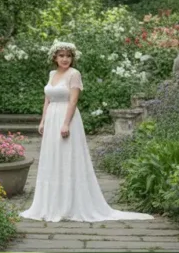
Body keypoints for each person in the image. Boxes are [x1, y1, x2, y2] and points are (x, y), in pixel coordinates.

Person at [21, 41, 154, 222]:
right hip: (51, 118)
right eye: (61, 56)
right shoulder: (52, 74)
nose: (65, 59)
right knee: (53, 158)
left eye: (68, 56)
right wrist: (43, 121)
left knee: (67, 157)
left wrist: (66, 124)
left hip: (66, 117)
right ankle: (52, 203)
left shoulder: (74, 74)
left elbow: (73, 101)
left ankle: (70, 204)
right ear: (55, 57)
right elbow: (47, 100)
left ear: (72, 58)